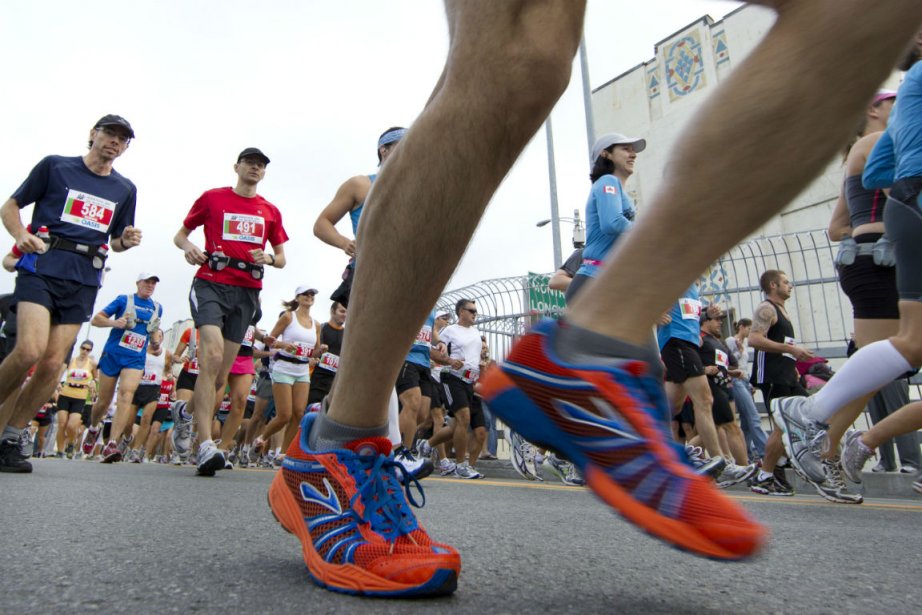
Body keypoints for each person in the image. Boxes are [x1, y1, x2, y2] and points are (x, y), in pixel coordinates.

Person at [268, 0, 922, 597]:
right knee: (521, 56)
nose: (633, 156)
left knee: (857, 10)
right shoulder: (602, 192)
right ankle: (340, 441)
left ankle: (590, 352)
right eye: (626, 150)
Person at [775, 33, 922, 491]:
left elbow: (837, 223)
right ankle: (819, 444)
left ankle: (824, 443)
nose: (900, 105)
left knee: (887, 363)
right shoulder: (875, 140)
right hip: (878, 261)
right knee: (888, 363)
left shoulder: (877, 143)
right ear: (873, 111)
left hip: (881, 253)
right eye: (891, 102)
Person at [0, 114, 141, 473]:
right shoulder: (56, 167)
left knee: (52, 363)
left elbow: (116, 241)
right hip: (43, 265)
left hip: (84, 278)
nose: (114, 141)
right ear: (93, 134)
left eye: (123, 139)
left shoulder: (125, 189)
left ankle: (11, 438)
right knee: (29, 349)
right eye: (109, 133)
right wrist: (19, 235)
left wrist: (125, 241)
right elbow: (10, 206)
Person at [172, 147, 288, 476]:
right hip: (211, 282)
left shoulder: (270, 211)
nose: (255, 168)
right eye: (250, 162)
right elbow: (180, 236)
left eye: (261, 165)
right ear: (237, 167)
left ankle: (184, 413)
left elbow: (281, 258)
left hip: (247, 292)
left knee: (221, 375)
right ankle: (206, 444)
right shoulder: (212, 198)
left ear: (264, 173)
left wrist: (269, 259)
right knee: (210, 356)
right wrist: (191, 247)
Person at [313, 128, 405, 308]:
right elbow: (321, 224)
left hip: (405, 274)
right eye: (403, 145)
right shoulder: (360, 185)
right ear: (383, 149)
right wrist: (344, 242)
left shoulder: (416, 190)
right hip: (368, 273)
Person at [83, 273, 163, 463]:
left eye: (153, 283)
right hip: (113, 355)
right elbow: (96, 319)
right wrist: (114, 322)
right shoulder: (123, 300)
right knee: (103, 401)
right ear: (138, 283)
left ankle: (112, 443)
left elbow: (152, 333)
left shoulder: (157, 308)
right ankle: (94, 428)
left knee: (126, 396)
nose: (150, 285)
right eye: (147, 282)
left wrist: (156, 344)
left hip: (135, 358)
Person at [565, 133, 641, 302]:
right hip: (594, 282)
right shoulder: (608, 181)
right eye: (625, 149)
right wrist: (648, 229)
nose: (633, 154)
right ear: (605, 154)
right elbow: (612, 223)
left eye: (633, 150)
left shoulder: (619, 191)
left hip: (606, 282)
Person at [252, 287, 321, 460]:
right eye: (306, 294)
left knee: (299, 413)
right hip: (284, 367)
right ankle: (261, 438)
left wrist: (321, 350)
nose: (309, 297)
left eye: (312, 295)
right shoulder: (289, 317)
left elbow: (314, 352)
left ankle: (283, 453)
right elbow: (270, 341)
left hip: (302, 369)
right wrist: (284, 346)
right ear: (297, 297)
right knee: (284, 415)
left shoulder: (316, 324)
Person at [725, 318, 768, 462]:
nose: (750, 332)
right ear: (742, 327)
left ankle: (747, 455)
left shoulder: (743, 343)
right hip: (736, 379)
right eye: (749, 329)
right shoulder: (731, 341)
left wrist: (749, 384)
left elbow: (744, 364)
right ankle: (765, 453)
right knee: (753, 416)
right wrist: (739, 352)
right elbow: (727, 363)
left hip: (744, 380)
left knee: (746, 420)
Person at [126, 328, 171, 462]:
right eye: (153, 335)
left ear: (162, 338)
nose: (156, 337)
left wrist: (168, 375)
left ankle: (136, 450)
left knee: (146, 419)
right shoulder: (141, 349)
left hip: (153, 388)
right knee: (129, 422)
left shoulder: (166, 353)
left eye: (159, 335)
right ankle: (128, 439)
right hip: (137, 386)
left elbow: (168, 369)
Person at [55, 340, 98, 457]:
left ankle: (70, 443)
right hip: (65, 393)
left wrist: (93, 382)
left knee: (72, 425)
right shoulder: (71, 360)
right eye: (83, 348)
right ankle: (60, 451)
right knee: (62, 424)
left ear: (90, 351)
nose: (84, 351)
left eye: (88, 349)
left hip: (80, 396)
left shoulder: (92, 364)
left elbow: (96, 377)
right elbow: (60, 371)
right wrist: (58, 382)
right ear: (80, 348)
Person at [307, 301, 346, 406]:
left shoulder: (347, 334)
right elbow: (311, 352)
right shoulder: (322, 328)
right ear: (332, 312)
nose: (345, 315)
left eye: (347, 312)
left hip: (335, 382)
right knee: (311, 410)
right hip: (317, 379)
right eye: (342, 311)